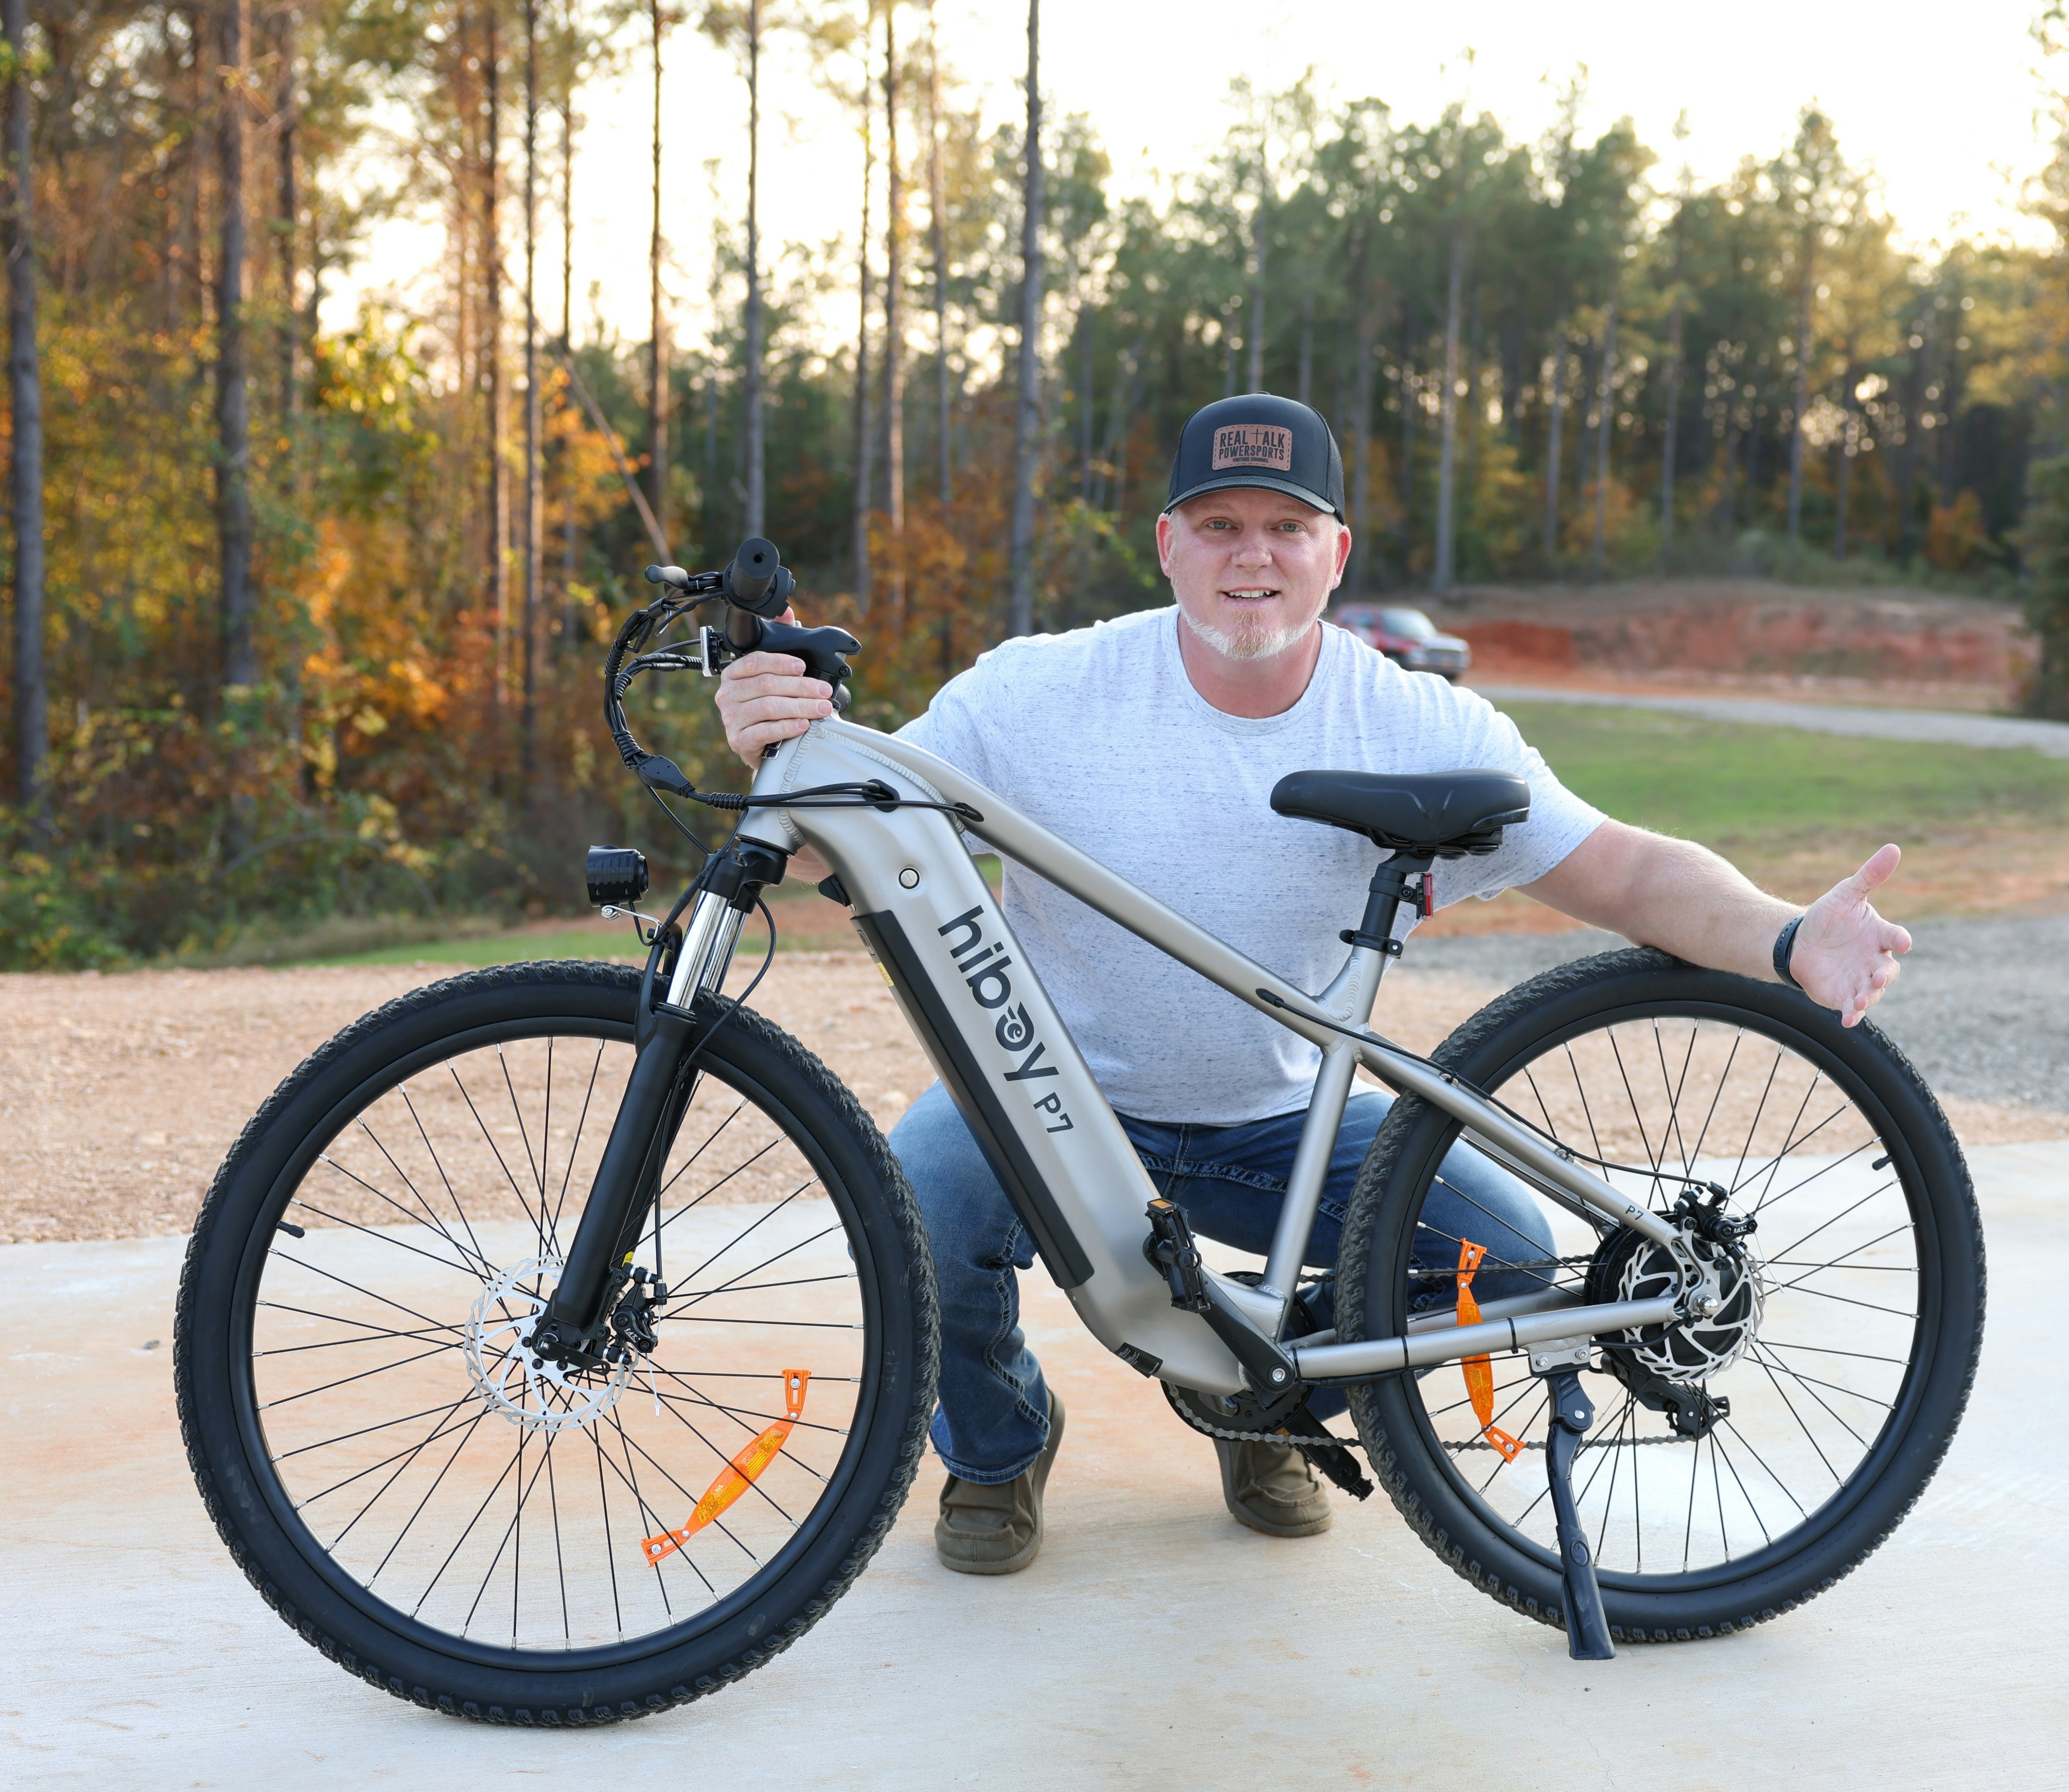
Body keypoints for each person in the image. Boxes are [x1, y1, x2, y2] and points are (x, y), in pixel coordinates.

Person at [713, 394, 1912, 1576]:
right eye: (1221, 525)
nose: (1254, 557)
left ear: (1336, 555)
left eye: (1286, 527)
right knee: (921, 1191)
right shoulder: (1038, 693)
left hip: (1289, 1124)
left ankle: (1268, 1400)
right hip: (1053, 1108)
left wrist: (1788, 933)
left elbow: (1624, 867)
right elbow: (833, 843)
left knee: (1502, 1253)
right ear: (1168, 545)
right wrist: (777, 744)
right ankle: (997, 1445)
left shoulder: (1411, 720)